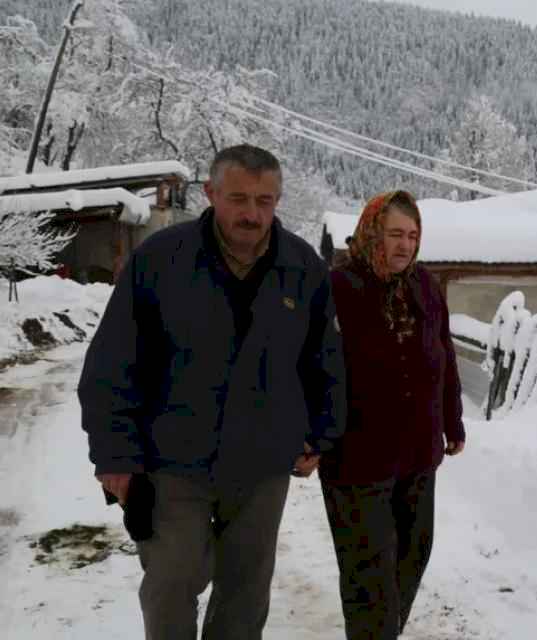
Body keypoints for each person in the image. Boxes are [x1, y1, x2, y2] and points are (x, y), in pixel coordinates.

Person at [78, 144, 346, 640]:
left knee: (246, 591)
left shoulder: (302, 267)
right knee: (172, 582)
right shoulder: (161, 259)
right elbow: (112, 364)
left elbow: (323, 359)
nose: (252, 213)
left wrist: (322, 430)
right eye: (239, 198)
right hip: (173, 458)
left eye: (265, 201)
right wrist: (114, 455)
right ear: (211, 193)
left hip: (263, 463)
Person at [321, 190, 465, 639]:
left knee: (413, 554)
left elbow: (444, 354)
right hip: (357, 458)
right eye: (394, 234)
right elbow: (312, 366)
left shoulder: (426, 286)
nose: (404, 245)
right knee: (370, 572)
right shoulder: (338, 288)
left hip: (419, 455)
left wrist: (452, 419)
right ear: (371, 234)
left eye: (412, 235)